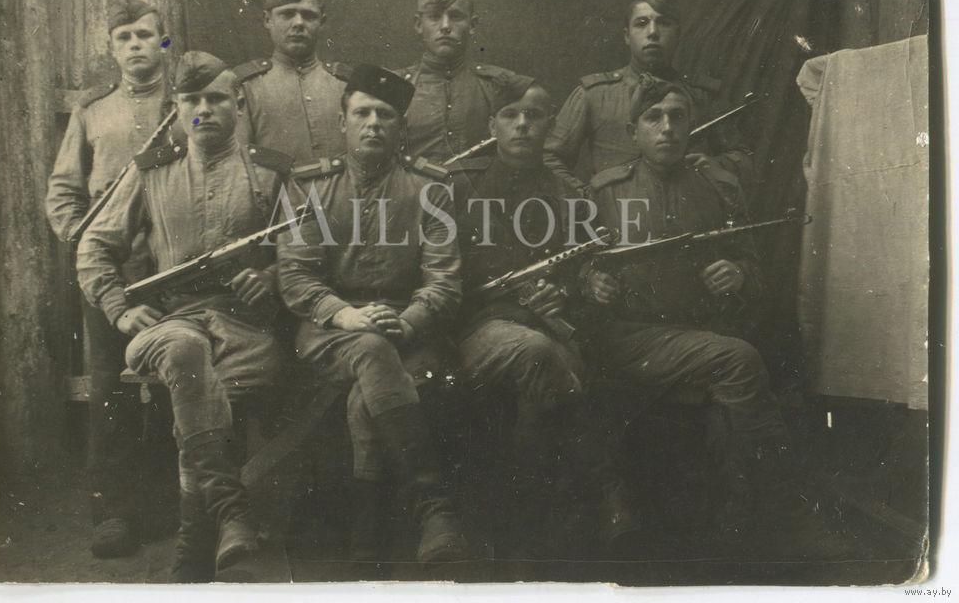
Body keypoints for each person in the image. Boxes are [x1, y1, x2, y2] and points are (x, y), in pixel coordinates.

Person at [583, 74, 827, 552]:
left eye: (678, 117)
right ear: (633, 132)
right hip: (631, 337)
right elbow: (574, 266)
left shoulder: (718, 187)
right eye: (654, 118)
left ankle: (746, 516)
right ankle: (789, 511)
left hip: (701, 334)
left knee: (736, 384)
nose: (667, 128)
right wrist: (590, 282)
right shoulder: (604, 192)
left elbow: (754, 272)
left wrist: (737, 273)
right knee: (739, 361)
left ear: (692, 126)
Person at [77, 52, 291, 582]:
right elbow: (93, 247)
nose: (204, 109)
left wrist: (270, 278)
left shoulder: (271, 174)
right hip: (170, 323)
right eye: (192, 100)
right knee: (185, 352)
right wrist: (120, 310)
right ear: (175, 108)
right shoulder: (152, 172)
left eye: (216, 98)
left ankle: (195, 545)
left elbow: (303, 255)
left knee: (200, 396)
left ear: (238, 103)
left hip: (246, 329)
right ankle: (231, 514)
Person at [277, 64, 468, 565]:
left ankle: (368, 531)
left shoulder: (430, 188)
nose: (373, 123)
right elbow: (295, 277)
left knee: (372, 379)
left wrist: (408, 321)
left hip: (408, 325)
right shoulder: (309, 186)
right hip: (328, 329)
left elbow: (444, 282)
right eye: (362, 113)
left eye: (385, 115)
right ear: (342, 122)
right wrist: (345, 315)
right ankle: (433, 507)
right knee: (370, 349)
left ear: (401, 126)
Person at [449, 78, 636, 557]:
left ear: (551, 125)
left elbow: (589, 267)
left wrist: (567, 293)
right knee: (544, 358)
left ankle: (525, 525)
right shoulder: (458, 187)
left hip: (551, 325)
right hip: (478, 327)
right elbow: (441, 274)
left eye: (534, 116)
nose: (522, 125)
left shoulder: (570, 195)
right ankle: (605, 489)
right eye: (510, 115)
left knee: (547, 372)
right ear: (492, 125)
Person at [45, 0, 175, 558]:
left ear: (163, 42)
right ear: (111, 49)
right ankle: (114, 513)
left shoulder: (187, 105)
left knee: (175, 380)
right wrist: (88, 242)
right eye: (124, 37)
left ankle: (171, 504)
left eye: (145, 35)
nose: (136, 45)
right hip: (111, 272)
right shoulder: (93, 113)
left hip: (172, 266)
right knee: (110, 390)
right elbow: (63, 192)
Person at [544, 0, 753, 196]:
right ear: (627, 35)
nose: (652, 32)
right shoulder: (595, 94)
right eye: (642, 23)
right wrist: (586, 198)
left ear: (678, 34)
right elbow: (550, 157)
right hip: (618, 212)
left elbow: (742, 157)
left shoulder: (702, 95)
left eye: (664, 23)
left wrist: (716, 164)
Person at [395, 0, 534, 162]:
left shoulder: (500, 84)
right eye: (434, 16)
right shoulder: (397, 87)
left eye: (456, 16)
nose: (445, 26)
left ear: (472, 25)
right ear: (419, 24)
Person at [233, 0, 348, 159]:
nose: (298, 23)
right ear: (267, 20)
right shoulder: (246, 87)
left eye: (309, 16)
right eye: (287, 14)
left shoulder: (346, 85)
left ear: (322, 22)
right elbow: (240, 161)